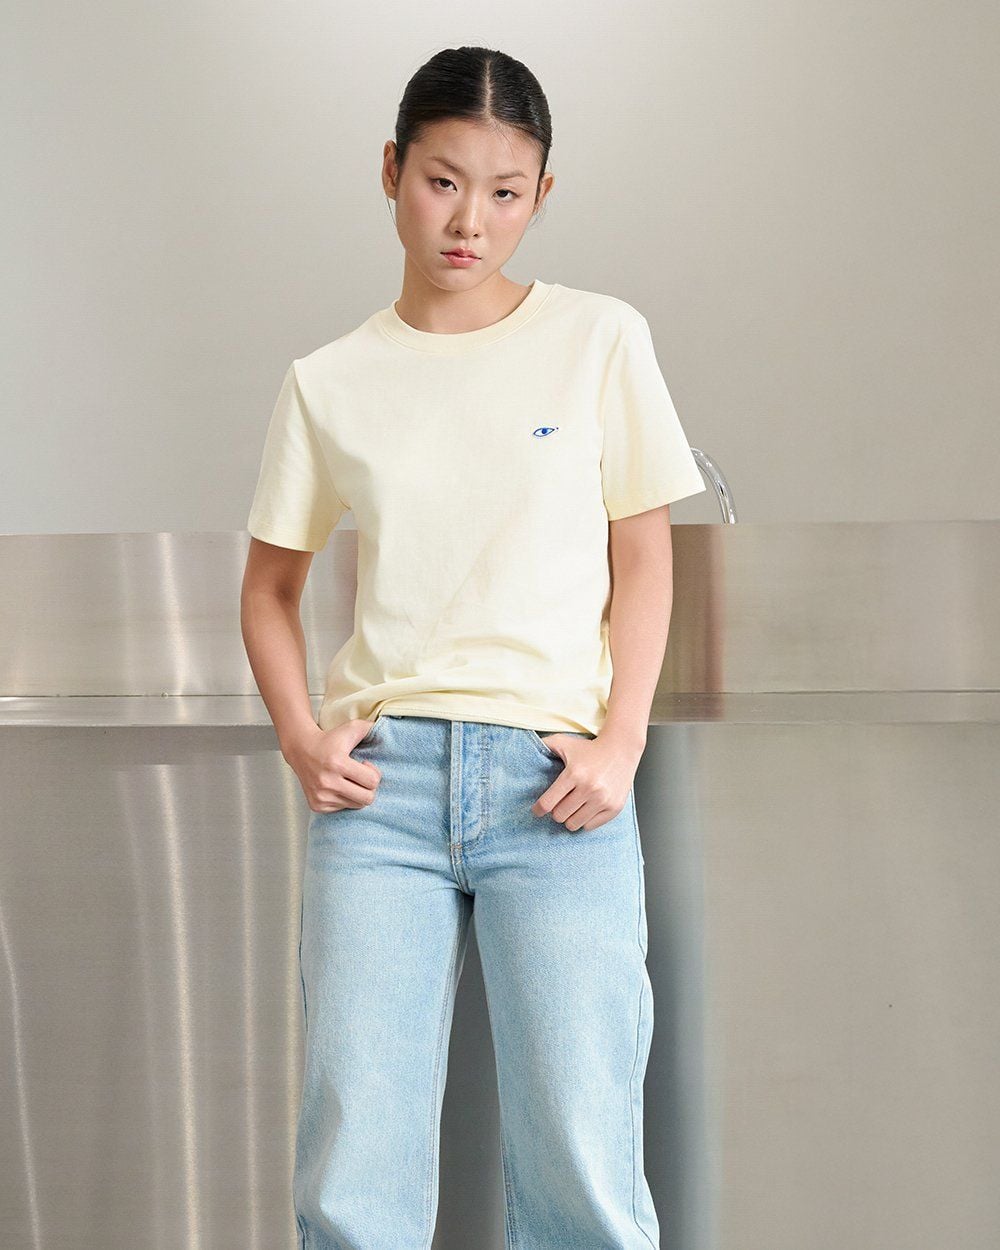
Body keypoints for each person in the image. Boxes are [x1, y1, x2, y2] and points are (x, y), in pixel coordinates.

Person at [241, 44, 706, 1250]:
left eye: (505, 192)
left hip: (556, 787)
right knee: (354, 1164)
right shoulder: (329, 381)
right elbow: (270, 588)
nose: (469, 221)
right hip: (379, 796)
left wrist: (621, 740)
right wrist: (301, 737)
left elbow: (644, 554)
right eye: (443, 182)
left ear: (541, 194)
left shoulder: (600, 339)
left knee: (582, 1158)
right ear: (391, 170)